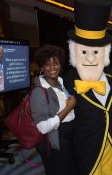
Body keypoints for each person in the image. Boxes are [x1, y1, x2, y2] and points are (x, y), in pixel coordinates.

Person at [63, 0, 112, 175]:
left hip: (110, 141)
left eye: (96, 51)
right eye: (84, 51)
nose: (90, 57)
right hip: (87, 146)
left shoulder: (111, 75)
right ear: (74, 52)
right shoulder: (67, 80)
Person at [30, 45, 77, 175]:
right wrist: (68, 108)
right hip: (56, 140)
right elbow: (43, 127)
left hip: (70, 137)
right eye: (47, 64)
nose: (52, 68)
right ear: (41, 68)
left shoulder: (61, 83)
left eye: (55, 63)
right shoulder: (39, 92)